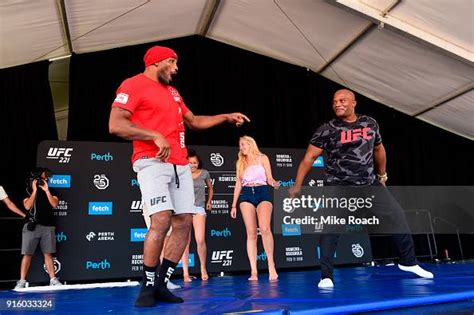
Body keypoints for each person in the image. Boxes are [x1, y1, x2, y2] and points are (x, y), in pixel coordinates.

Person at [108, 45, 249, 307]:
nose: (176, 68)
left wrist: (225, 116)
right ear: (155, 62)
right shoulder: (133, 84)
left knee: (183, 222)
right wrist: (153, 135)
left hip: (181, 164)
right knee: (161, 220)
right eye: (172, 62)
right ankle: (148, 286)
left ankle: (161, 283)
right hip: (151, 162)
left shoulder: (172, 92)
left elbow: (193, 121)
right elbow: (115, 124)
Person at [289, 89, 434, 289]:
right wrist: (297, 186)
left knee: (397, 215)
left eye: (342, 100)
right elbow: (309, 158)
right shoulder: (327, 129)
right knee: (331, 228)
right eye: (334, 101)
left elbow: (379, 149)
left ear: (354, 103)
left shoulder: (370, 123)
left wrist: (382, 175)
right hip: (338, 185)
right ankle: (326, 276)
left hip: (368, 183)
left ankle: (409, 262)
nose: (337, 104)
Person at [230, 136, 279, 281]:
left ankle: (271, 265)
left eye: (243, 144)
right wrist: (233, 205)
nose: (241, 148)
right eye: (240, 145)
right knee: (251, 233)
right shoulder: (240, 162)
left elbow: (269, 178)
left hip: (262, 191)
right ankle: (254, 271)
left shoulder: (263, 158)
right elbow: (238, 184)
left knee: (264, 229)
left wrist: (274, 183)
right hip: (246, 194)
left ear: (251, 144)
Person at [15, 168, 63, 289]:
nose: (45, 179)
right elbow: (27, 206)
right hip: (32, 226)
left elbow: (55, 204)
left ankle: (53, 279)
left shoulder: (52, 190)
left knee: (48, 254)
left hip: (48, 226)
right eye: (43, 177)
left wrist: (46, 191)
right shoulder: (28, 190)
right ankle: (21, 281)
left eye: (46, 178)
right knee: (27, 254)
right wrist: (35, 190)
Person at [181, 149, 213, 282]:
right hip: (184, 209)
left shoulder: (204, 173)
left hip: (199, 208)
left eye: (194, 162)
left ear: (198, 163)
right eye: (190, 163)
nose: (192, 165)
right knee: (185, 242)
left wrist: (209, 201)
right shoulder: (182, 174)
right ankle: (185, 273)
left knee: (200, 239)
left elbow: (210, 187)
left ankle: (202, 268)